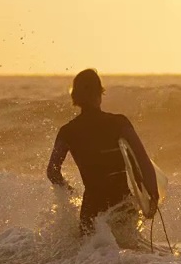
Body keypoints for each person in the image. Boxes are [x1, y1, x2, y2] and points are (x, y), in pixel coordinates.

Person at [47, 68, 159, 243]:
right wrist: (153, 194)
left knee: (92, 260)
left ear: (75, 97)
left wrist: (67, 191)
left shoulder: (67, 131)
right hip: (122, 204)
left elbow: (52, 171)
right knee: (127, 257)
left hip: (92, 208)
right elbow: (142, 159)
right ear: (100, 93)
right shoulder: (119, 123)